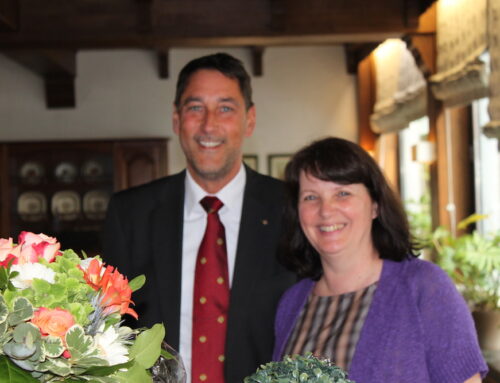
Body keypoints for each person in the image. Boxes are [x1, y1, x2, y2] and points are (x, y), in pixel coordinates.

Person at [103, 53, 295, 383]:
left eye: (225, 108)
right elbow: (108, 330)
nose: (209, 124)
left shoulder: (290, 210)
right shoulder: (130, 214)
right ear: (177, 120)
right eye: (195, 108)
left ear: (249, 120)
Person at [272, 137, 488, 383]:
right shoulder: (292, 303)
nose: (326, 210)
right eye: (310, 197)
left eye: (342, 193)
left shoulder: (424, 288)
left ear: (375, 205)